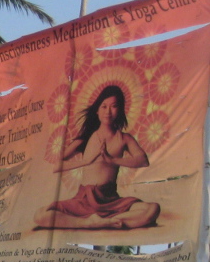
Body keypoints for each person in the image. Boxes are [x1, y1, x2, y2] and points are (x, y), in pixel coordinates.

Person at [33, 84, 157, 229]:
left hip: (110, 199)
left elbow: (143, 161)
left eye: (114, 106)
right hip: (84, 199)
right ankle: (89, 222)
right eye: (104, 106)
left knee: (152, 209)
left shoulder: (124, 138)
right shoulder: (85, 138)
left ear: (120, 110)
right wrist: (86, 161)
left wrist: (112, 160)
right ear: (97, 110)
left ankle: (106, 221)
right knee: (40, 215)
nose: (108, 112)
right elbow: (57, 165)